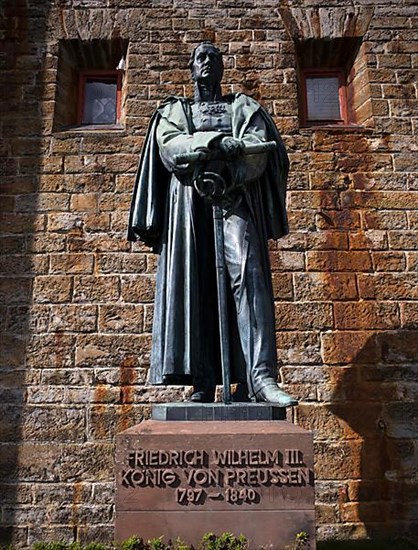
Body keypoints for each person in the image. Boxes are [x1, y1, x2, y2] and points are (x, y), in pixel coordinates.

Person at [128, 42, 297, 407]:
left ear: (222, 68)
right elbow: (171, 145)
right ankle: (202, 382)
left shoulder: (243, 106)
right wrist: (218, 141)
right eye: (201, 58)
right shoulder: (175, 110)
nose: (207, 63)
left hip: (234, 198)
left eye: (214, 58)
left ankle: (260, 378)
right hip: (189, 204)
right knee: (196, 283)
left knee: (248, 276)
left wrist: (236, 162)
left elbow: (259, 147)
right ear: (191, 69)